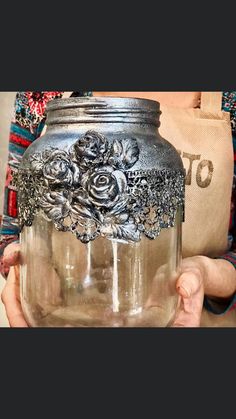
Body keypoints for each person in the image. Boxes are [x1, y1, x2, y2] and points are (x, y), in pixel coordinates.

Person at [1, 91, 236, 327]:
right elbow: (11, 233)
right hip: (65, 321)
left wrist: (205, 272)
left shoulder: (230, 99)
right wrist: (26, 268)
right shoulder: (39, 95)